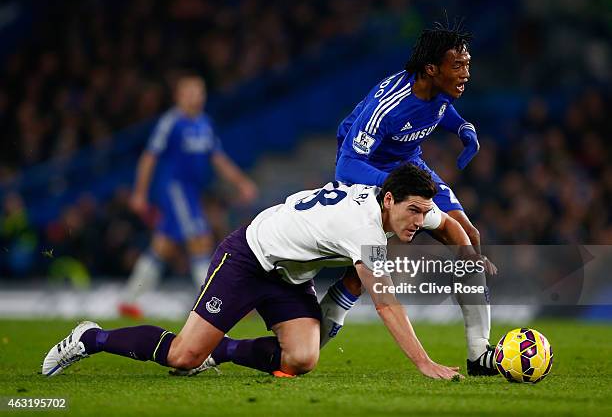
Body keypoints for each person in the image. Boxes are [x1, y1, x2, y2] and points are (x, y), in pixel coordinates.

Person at [43, 164, 473, 380]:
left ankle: (222, 350)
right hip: (249, 257)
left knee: (302, 359)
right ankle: (90, 338)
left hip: (289, 277)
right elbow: (387, 305)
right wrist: (424, 363)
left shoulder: (400, 206)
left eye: (423, 212)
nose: (418, 221)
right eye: (413, 211)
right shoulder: (361, 225)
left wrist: (472, 259)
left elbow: (449, 225)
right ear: (388, 201)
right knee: (181, 356)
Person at [319, 21, 498, 375]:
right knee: (363, 268)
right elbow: (347, 165)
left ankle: (479, 354)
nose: (466, 74)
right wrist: (398, 189)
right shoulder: (387, 107)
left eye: (468, 65)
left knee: (468, 238)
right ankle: (314, 333)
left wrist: (464, 130)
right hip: (368, 173)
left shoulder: (441, 89)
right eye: (458, 66)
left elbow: (443, 111)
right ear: (431, 69)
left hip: (409, 166)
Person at [118, 74, 258, 319]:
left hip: (191, 192)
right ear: (179, 96)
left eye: (200, 91)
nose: (197, 97)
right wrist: (139, 193)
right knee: (200, 240)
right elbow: (149, 157)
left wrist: (241, 182)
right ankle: (214, 304)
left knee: (163, 247)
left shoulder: (204, 123)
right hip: (175, 190)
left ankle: (129, 301)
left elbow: (218, 158)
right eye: (191, 92)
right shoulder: (171, 122)